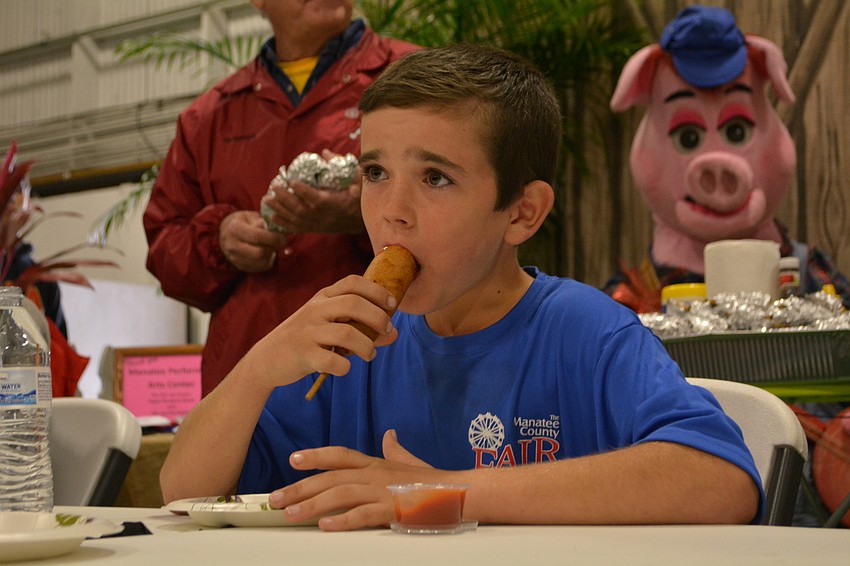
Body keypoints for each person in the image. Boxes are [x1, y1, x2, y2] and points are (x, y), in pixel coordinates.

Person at [160, 44, 762, 530]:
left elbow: (723, 481)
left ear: (522, 213)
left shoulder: (583, 330)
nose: (393, 211)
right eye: (374, 173)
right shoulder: (355, 349)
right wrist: (260, 365)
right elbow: (183, 491)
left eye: (436, 177)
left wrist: (439, 492)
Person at [143, 0, 418, 396]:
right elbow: (164, 243)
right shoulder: (209, 116)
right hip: (249, 385)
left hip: (383, 373)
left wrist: (364, 215)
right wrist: (219, 241)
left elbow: (468, 218)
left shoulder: (416, 80)